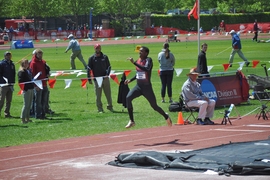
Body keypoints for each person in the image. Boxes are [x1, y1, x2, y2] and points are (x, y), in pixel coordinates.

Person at [124, 46, 172, 128]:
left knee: (154, 106)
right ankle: (132, 121)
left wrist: (134, 63)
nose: (139, 52)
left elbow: (146, 69)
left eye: (141, 51)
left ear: (146, 53)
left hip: (147, 88)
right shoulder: (138, 61)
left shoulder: (149, 60)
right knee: (128, 98)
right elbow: (138, 73)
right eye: (139, 51)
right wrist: (130, 80)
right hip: (138, 86)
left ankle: (166, 116)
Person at [87, 44, 113, 113]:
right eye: (96, 48)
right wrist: (89, 78)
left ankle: (110, 107)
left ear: (100, 48)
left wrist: (107, 74)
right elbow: (89, 69)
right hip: (97, 79)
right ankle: (100, 109)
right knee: (98, 95)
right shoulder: (91, 58)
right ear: (94, 49)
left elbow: (109, 67)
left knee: (108, 94)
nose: (97, 49)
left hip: (105, 78)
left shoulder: (105, 57)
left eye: (98, 48)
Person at [29, 49, 49, 119]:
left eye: (41, 54)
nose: (40, 55)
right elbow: (32, 75)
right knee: (38, 101)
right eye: (39, 54)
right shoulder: (33, 63)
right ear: (36, 55)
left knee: (44, 100)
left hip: (44, 83)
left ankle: (43, 114)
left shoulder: (43, 62)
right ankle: (38, 115)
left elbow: (45, 71)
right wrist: (35, 86)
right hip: (38, 84)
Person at [18, 59, 34, 124]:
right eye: (25, 63)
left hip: (31, 88)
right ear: (22, 64)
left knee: (29, 104)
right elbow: (20, 82)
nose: (27, 64)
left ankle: (27, 118)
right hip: (26, 89)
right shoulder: (21, 72)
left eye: (27, 63)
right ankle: (23, 119)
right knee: (26, 105)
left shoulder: (28, 71)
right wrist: (26, 88)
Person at [0, 51, 16, 118]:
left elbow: (13, 74)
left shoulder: (12, 64)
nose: (8, 56)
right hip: (3, 85)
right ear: (5, 56)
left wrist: (13, 82)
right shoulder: (2, 64)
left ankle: (7, 113)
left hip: (10, 84)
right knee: (1, 100)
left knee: (9, 100)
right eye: (7, 55)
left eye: (9, 55)